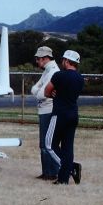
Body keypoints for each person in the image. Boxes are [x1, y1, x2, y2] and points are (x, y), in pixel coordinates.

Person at [44, 50, 84, 185]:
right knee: (68, 147)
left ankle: (70, 167)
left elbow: (46, 91)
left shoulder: (58, 75)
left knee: (49, 144)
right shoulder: (80, 78)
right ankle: (63, 180)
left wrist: (53, 94)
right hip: (73, 114)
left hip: (59, 114)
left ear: (66, 61)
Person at [30, 46, 60, 180]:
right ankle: (47, 171)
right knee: (44, 143)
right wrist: (40, 91)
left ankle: (51, 172)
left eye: (38, 59)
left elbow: (40, 94)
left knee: (47, 143)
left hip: (48, 110)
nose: (37, 61)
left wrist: (40, 91)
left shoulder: (53, 71)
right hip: (44, 109)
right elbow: (34, 89)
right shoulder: (48, 71)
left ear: (45, 58)